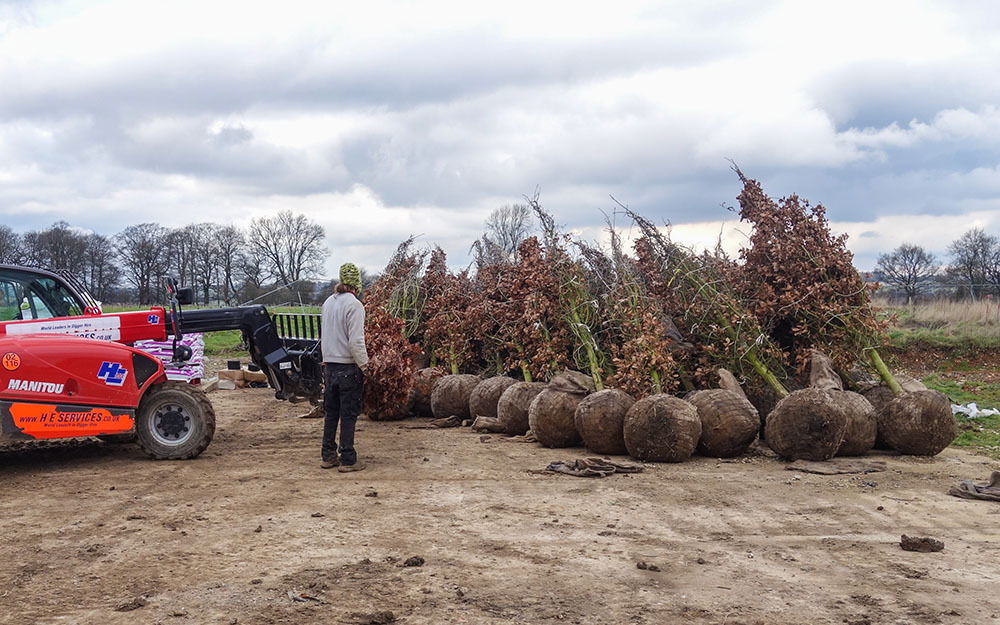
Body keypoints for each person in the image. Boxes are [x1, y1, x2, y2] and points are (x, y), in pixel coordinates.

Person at [319, 262, 369, 472]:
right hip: (348, 368)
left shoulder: (328, 303)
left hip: (329, 367)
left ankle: (328, 455)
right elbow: (355, 341)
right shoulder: (354, 305)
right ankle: (348, 459)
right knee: (348, 414)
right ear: (356, 284)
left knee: (331, 413)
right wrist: (365, 366)